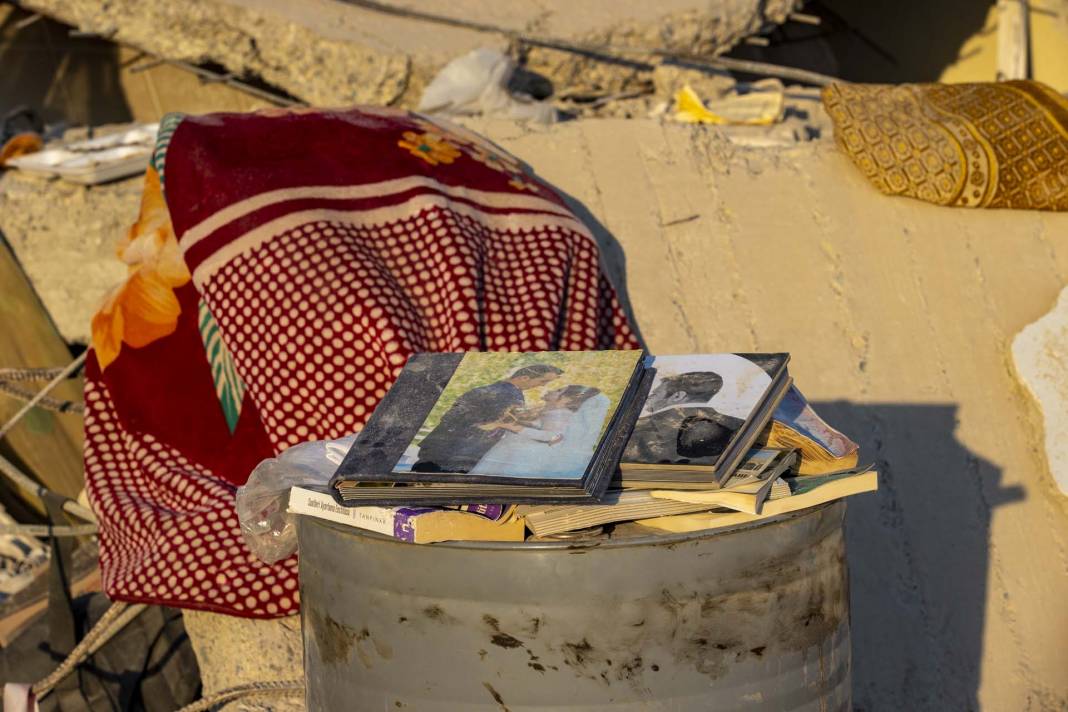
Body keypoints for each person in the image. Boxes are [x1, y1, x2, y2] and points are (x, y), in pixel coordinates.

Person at [411, 363, 562, 473]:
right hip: (460, 455)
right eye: (543, 381)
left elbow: (449, 417)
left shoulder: (484, 389)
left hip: (437, 447)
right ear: (524, 377)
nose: (542, 386)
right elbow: (510, 423)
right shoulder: (512, 396)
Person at [471, 385, 609, 478]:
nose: (553, 390)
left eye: (559, 390)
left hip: (515, 456)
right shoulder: (552, 411)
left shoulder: (560, 414)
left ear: (567, 399)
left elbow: (551, 436)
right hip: (509, 451)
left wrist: (510, 426)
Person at [623, 371, 745, 464]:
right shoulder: (740, 424)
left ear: (677, 396)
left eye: (655, 394)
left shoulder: (632, 430)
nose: (648, 398)